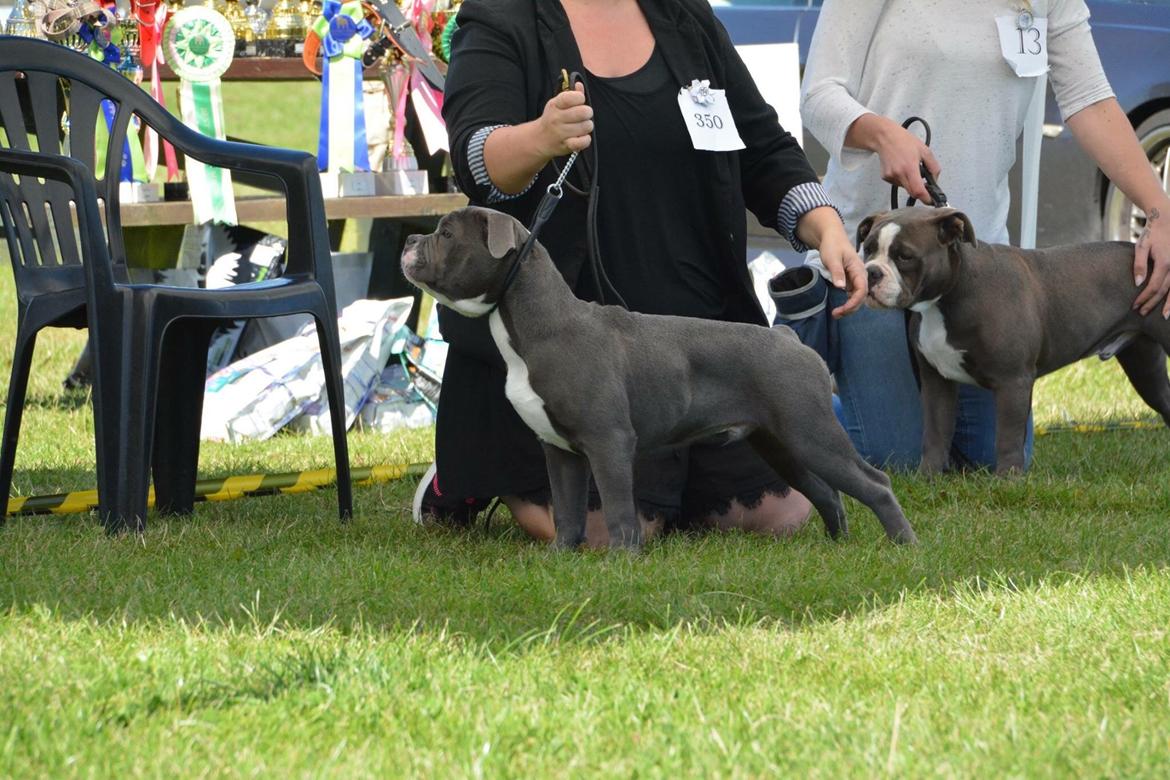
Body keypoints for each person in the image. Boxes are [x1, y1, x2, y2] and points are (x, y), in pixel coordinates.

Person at [415, 0, 867, 545]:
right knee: (606, 533)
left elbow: (763, 145)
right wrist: (539, 137)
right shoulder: (502, 15)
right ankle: (457, 481)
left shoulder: (687, 17)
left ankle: (678, 479)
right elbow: (474, 155)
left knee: (779, 517)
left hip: (693, 351)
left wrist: (826, 228)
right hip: (563, 354)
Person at [800, 0, 1170, 472]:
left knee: (984, 458)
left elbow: (1089, 99)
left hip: (972, 267)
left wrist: (1161, 212)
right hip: (865, 259)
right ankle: (811, 411)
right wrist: (880, 133)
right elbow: (819, 94)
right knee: (899, 457)